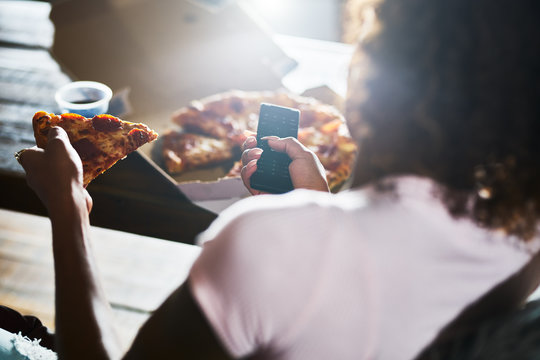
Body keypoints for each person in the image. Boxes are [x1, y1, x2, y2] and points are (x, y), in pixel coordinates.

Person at [11, 0, 540, 358]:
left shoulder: (269, 238)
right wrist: (323, 206)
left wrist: (69, 207)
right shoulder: (526, 228)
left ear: (372, 78)